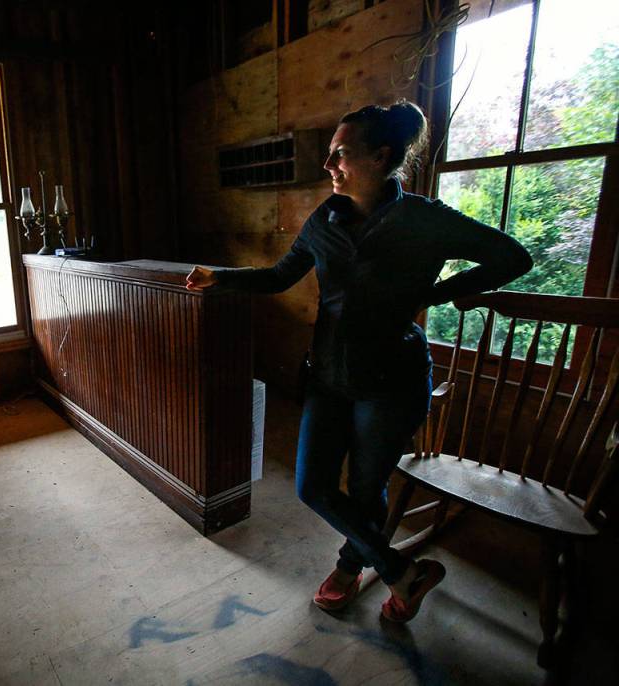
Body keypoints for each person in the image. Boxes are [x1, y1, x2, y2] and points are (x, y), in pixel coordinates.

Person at [186, 102, 532, 622]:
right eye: (329, 155)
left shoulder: (424, 219)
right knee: (313, 487)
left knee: (367, 490)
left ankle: (351, 570)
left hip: (393, 379)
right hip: (327, 374)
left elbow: (512, 256)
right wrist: (221, 275)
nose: (329, 165)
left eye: (340, 154)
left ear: (379, 157)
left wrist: (439, 295)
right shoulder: (324, 220)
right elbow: (280, 277)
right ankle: (401, 573)